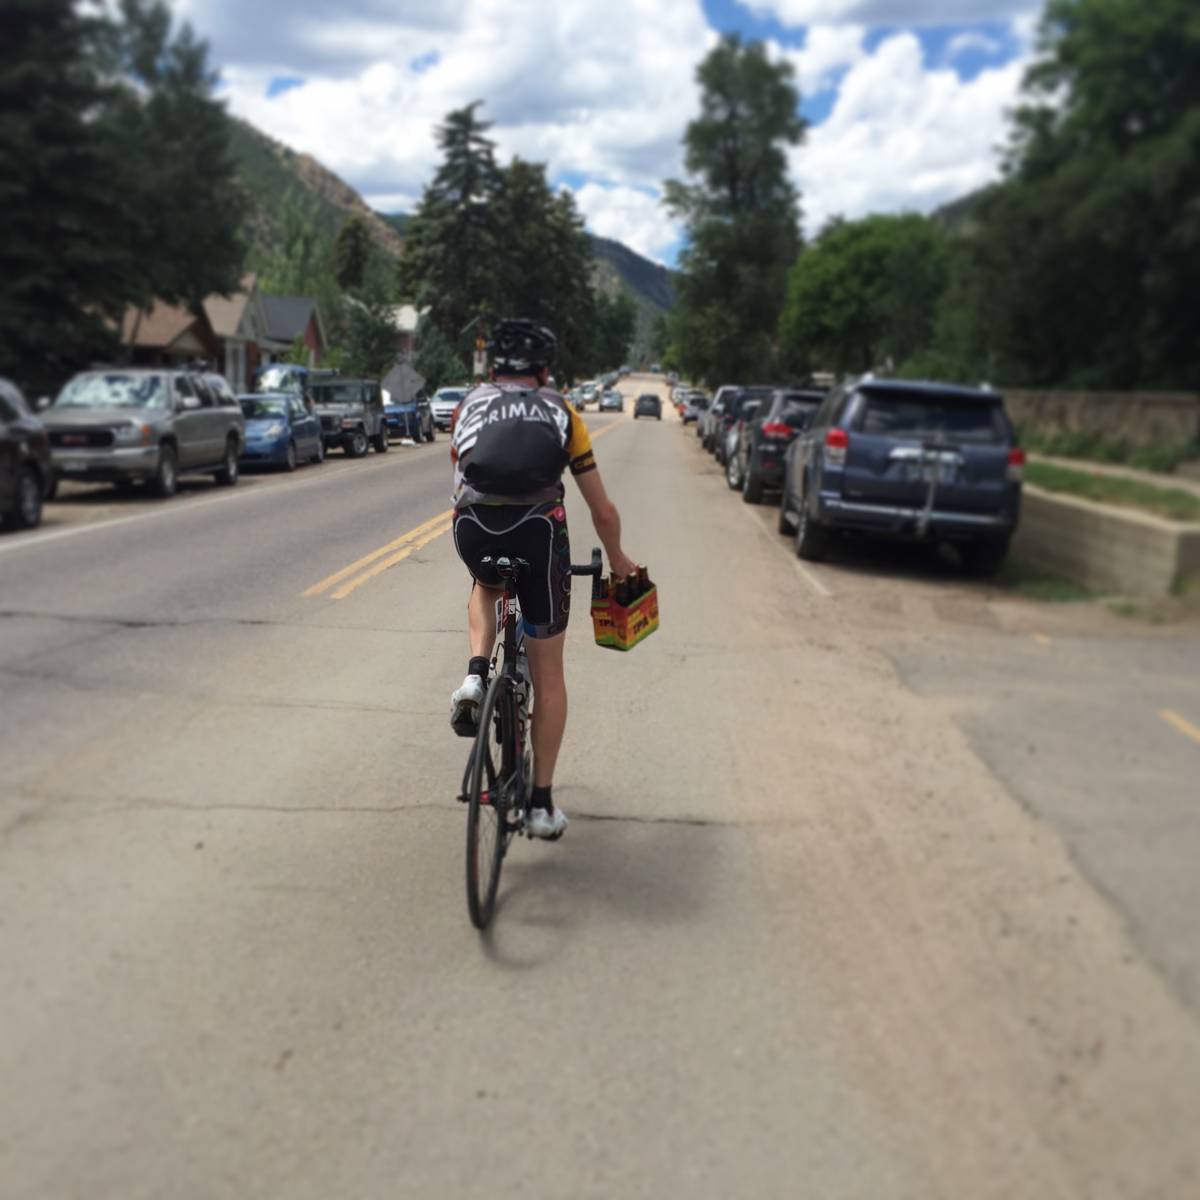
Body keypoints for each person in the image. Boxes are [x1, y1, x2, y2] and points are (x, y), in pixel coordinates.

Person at [449, 319, 636, 839]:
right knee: (548, 672)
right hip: (537, 532)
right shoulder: (562, 411)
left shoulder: (468, 406)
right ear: (545, 370)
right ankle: (539, 805)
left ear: (493, 367)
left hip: (474, 529)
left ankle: (473, 676)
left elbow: (461, 477)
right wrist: (619, 560)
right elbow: (601, 508)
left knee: (484, 585)